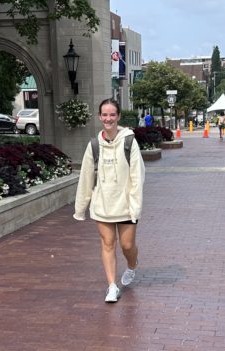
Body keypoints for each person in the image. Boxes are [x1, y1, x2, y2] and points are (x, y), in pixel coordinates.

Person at [73, 98, 145, 303]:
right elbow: (86, 177)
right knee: (107, 243)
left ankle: (132, 265)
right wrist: (81, 208)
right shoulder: (94, 145)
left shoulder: (129, 141)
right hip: (102, 204)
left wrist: (135, 206)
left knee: (127, 245)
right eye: (104, 114)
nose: (108, 118)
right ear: (99, 117)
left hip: (125, 204)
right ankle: (112, 286)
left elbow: (137, 177)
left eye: (112, 114)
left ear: (118, 116)